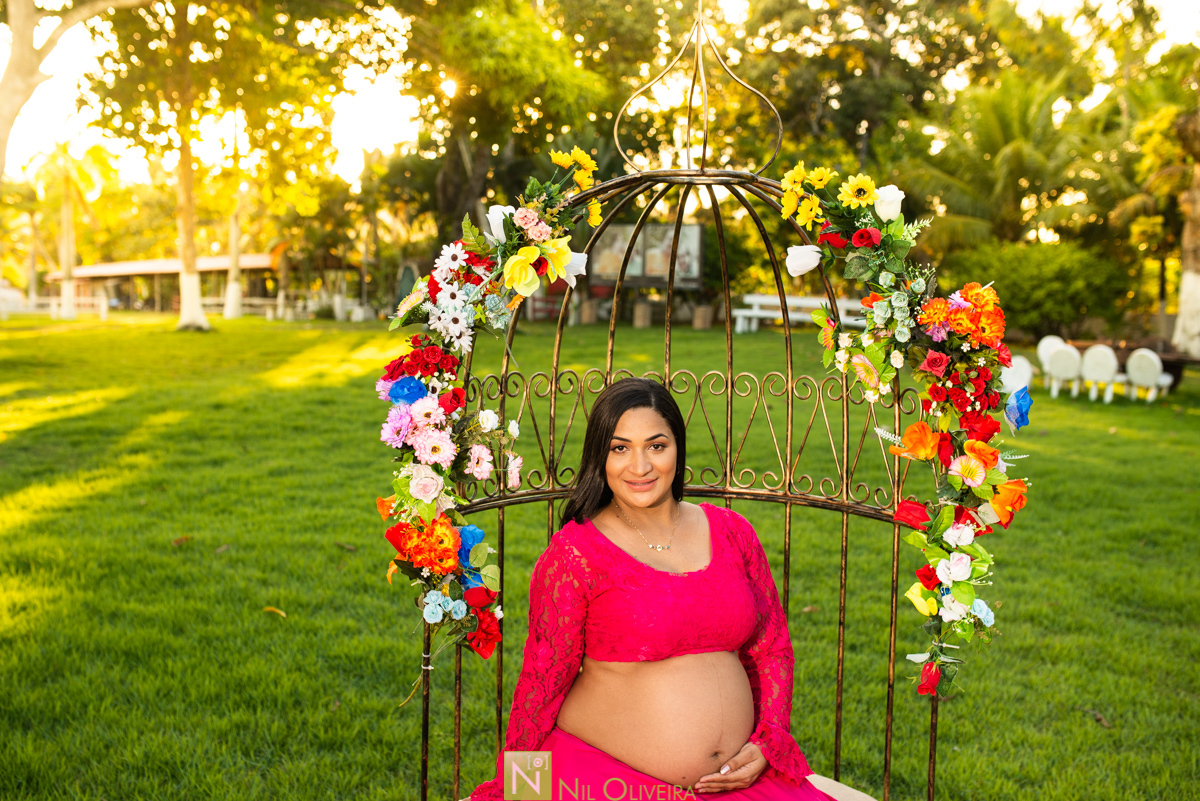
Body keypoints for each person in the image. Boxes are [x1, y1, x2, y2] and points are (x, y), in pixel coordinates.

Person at [467, 377, 870, 801]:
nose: (640, 466)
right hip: (602, 774)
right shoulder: (576, 553)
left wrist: (768, 739)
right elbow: (543, 678)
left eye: (656, 446)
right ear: (600, 456)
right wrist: (516, 786)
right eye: (620, 448)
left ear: (677, 447)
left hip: (739, 779)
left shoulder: (731, 531)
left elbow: (772, 649)